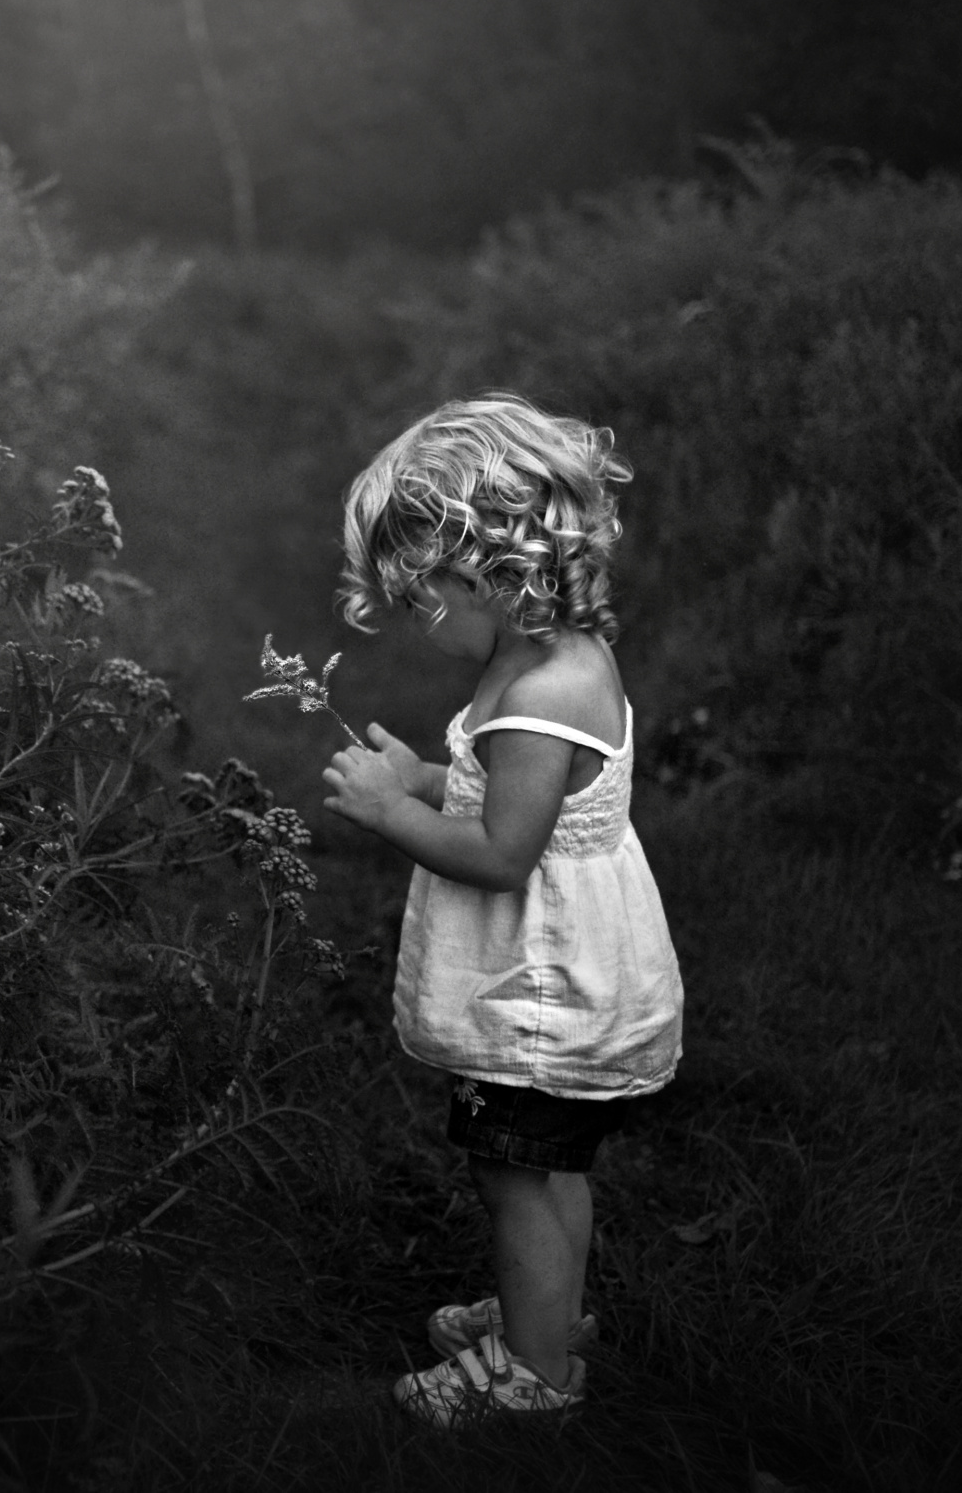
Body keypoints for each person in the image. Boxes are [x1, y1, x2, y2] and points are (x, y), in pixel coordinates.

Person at [320, 393, 683, 1425]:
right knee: (551, 1166)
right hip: (570, 976)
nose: (413, 615)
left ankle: (533, 1369)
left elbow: (502, 851)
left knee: (514, 1174)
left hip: (541, 996)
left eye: (419, 593)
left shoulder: (537, 696)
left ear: (486, 568)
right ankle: (547, 1314)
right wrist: (428, 777)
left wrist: (391, 811)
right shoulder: (554, 657)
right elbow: (514, 799)